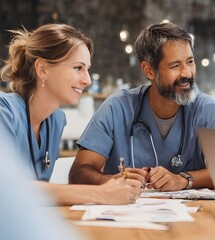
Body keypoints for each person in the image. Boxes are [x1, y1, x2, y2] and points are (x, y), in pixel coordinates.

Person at [69, 22, 215, 191]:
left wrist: (183, 180)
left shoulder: (206, 110)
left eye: (190, 62)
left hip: (195, 214)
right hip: (126, 214)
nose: (187, 73)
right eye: (175, 65)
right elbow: (78, 173)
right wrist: (113, 181)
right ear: (149, 70)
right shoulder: (116, 108)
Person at [0, 23, 142, 205]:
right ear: (42, 69)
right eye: (78, 68)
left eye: (87, 69)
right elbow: (8, 187)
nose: (87, 80)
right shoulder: (4, 112)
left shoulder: (56, 121)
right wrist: (100, 193)